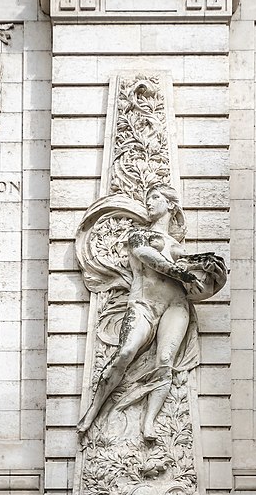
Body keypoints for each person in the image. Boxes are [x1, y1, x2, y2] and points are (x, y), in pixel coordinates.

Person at [77, 183, 225, 440]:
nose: (150, 202)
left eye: (155, 197)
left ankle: (149, 422)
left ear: (170, 205)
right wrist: (180, 270)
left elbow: (202, 282)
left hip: (175, 306)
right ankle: (93, 410)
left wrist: (215, 273)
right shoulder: (139, 236)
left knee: (165, 362)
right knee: (126, 351)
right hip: (144, 305)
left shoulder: (178, 249)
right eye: (148, 198)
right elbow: (149, 258)